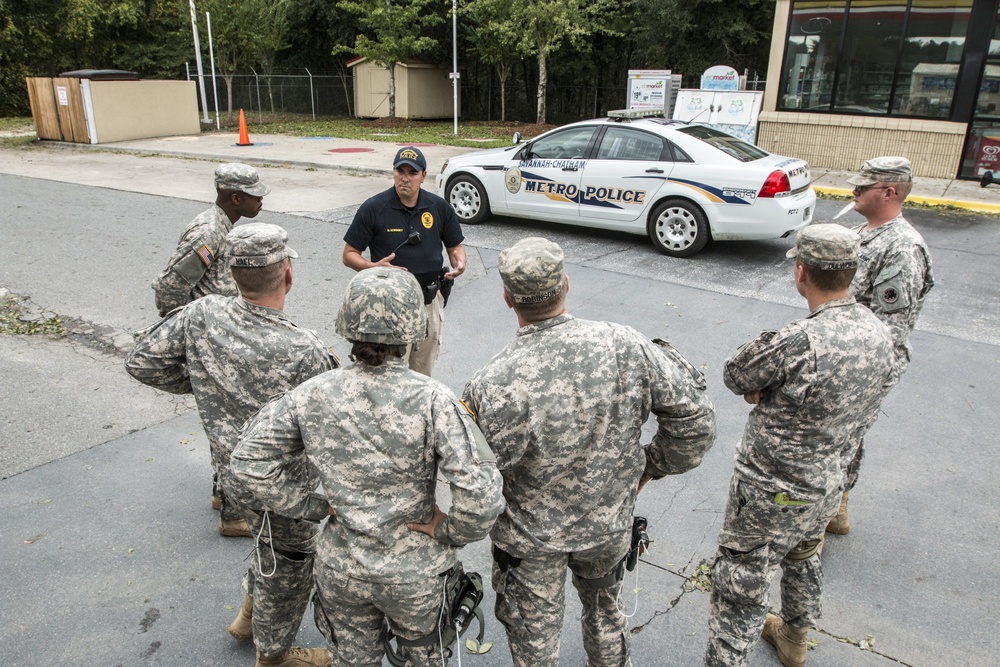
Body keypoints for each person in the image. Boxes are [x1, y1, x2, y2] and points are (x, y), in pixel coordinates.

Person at [462, 237, 717, 667]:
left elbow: (473, 478)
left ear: (507, 299)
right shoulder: (625, 345)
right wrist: (649, 468)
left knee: (534, 640)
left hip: (529, 542)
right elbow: (696, 424)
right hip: (607, 526)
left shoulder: (490, 382)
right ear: (566, 285)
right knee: (605, 616)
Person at [230, 267, 504, 667]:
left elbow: (248, 461)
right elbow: (482, 496)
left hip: (342, 571)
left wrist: (313, 507)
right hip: (415, 576)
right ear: (414, 328)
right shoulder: (436, 401)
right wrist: (449, 530)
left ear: (347, 325)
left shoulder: (312, 394)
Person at [126, 223, 335, 667]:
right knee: (291, 564)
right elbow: (329, 430)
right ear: (289, 276)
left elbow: (140, 361)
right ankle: (274, 655)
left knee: (265, 544)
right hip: (285, 487)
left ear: (234, 273)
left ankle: (248, 616)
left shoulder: (202, 314)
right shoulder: (303, 348)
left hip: (231, 478)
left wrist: (205, 385)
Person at [703, 224, 894, 667]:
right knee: (805, 556)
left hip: (771, 492)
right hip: (827, 480)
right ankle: (794, 639)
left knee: (740, 589)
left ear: (801, 271)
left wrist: (767, 389)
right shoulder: (879, 333)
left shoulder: (799, 340)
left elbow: (735, 374)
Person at [829, 156, 935, 534]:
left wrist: (850, 373)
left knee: (839, 439)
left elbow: (890, 329)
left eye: (864, 186)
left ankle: (824, 518)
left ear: (890, 192)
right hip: (842, 355)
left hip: (863, 364)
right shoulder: (866, 233)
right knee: (843, 437)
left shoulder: (903, 249)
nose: (854, 191)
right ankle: (835, 511)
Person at [341, 146, 466, 376]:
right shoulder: (374, 208)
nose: (405, 178)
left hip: (429, 302)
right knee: (388, 374)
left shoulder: (439, 208)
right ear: (393, 172)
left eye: (412, 173)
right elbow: (349, 254)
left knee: (422, 372)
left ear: (423, 176)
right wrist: (372, 266)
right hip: (389, 308)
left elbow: (454, 246)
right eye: (400, 171)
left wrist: (459, 262)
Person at [152, 162, 269, 317]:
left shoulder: (222, 226)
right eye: (255, 195)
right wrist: (184, 327)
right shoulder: (208, 233)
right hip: (205, 330)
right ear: (236, 199)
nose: (260, 199)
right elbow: (169, 287)